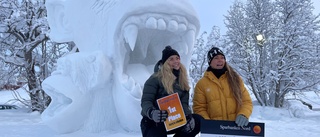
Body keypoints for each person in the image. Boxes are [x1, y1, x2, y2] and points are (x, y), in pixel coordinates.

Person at [140, 46, 200, 137]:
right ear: (165, 62)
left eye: (177, 58)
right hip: (153, 122)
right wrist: (152, 113)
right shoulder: (155, 79)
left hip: (173, 120)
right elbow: (145, 101)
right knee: (157, 126)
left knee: (197, 121)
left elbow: (184, 105)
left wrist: (188, 118)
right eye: (171, 59)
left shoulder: (182, 81)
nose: (176, 61)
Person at [192, 46, 253, 127]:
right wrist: (208, 124)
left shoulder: (235, 79)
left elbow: (246, 102)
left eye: (222, 57)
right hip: (215, 130)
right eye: (216, 58)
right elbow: (199, 108)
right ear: (210, 62)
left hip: (236, 128)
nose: (220, 60)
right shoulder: (202, 84)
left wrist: (244, 114)